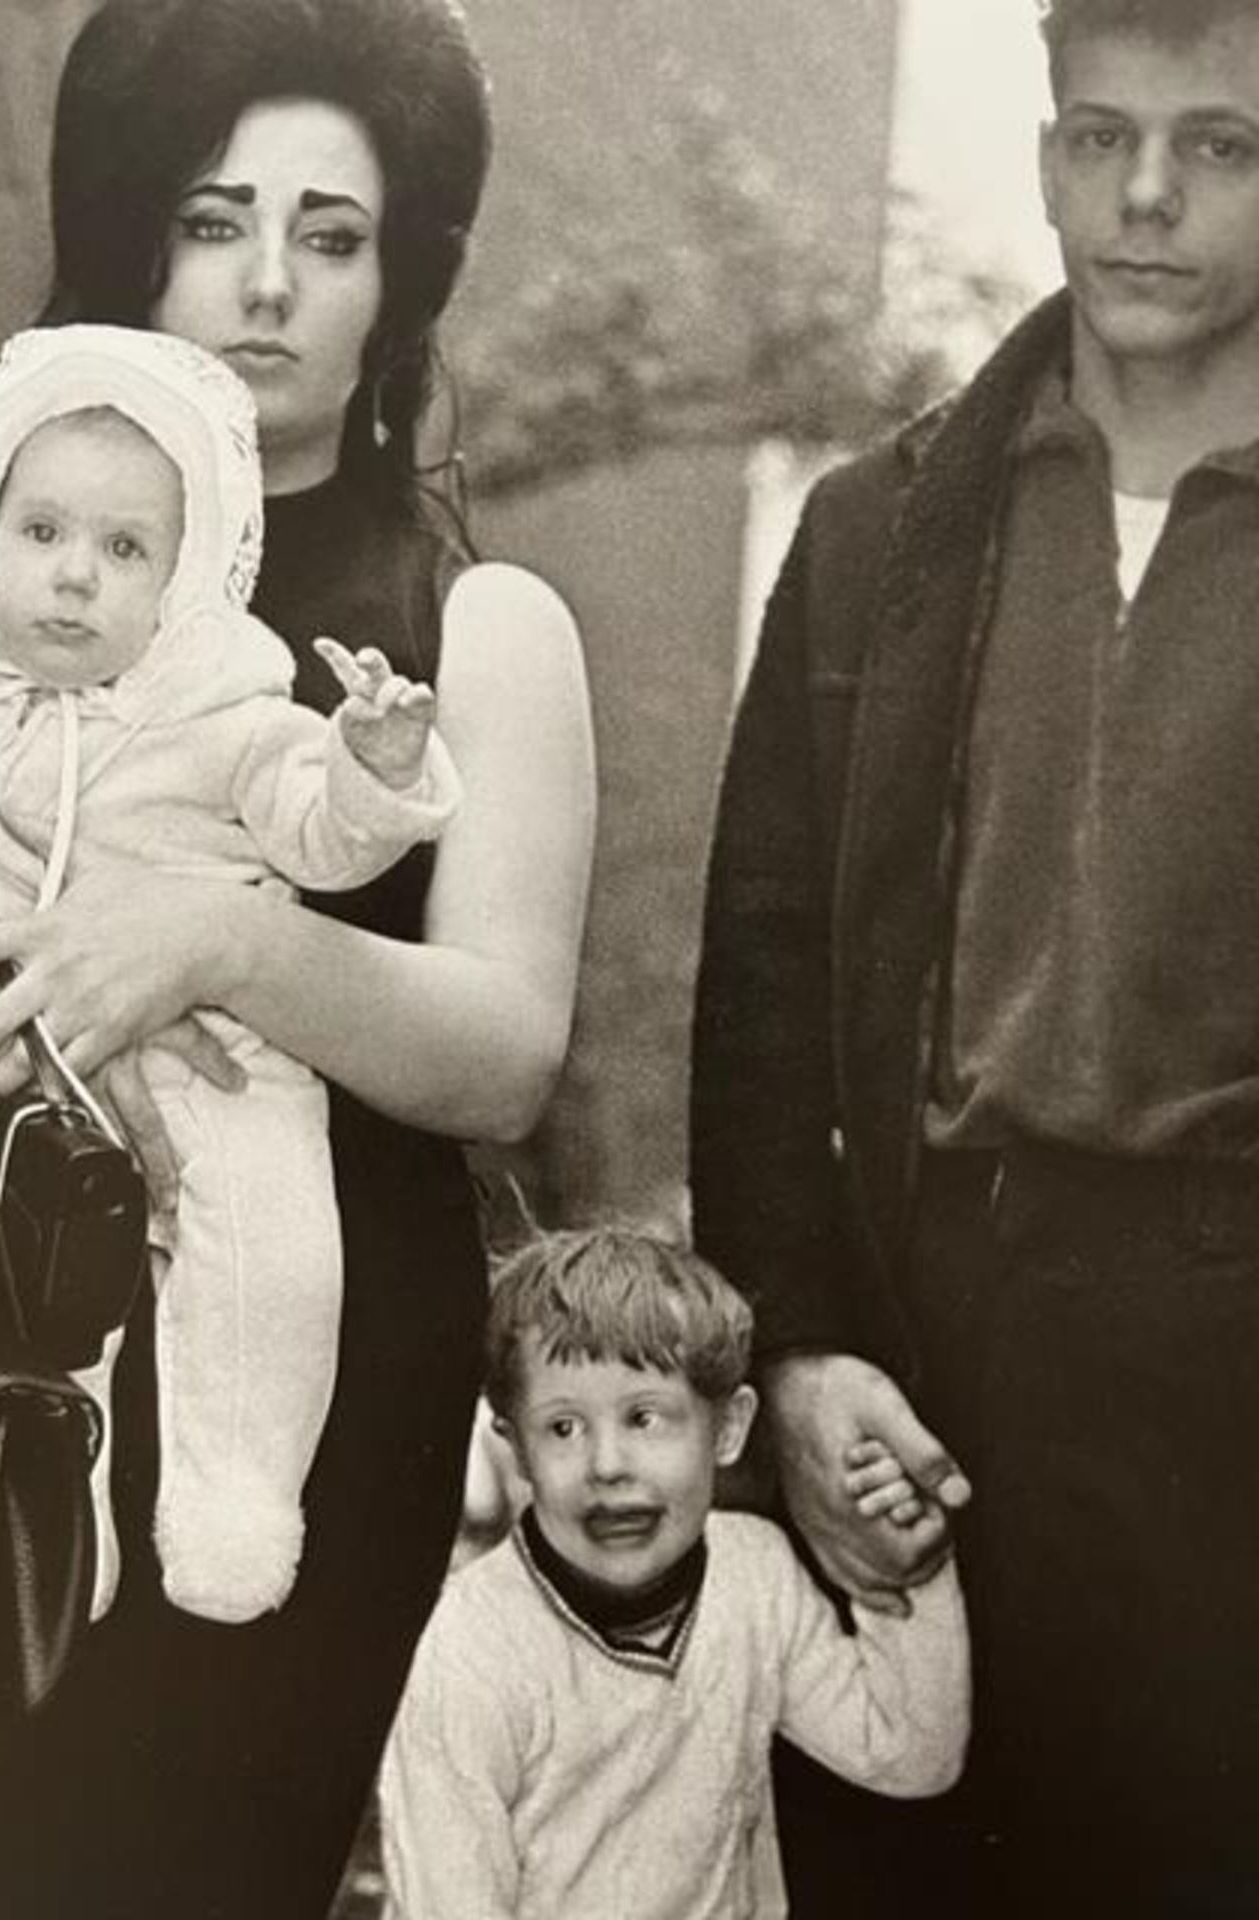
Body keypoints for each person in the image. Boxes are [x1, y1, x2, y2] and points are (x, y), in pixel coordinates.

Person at [0, 2, 595, 1915]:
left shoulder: (479, 625)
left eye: (330, 235)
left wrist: (220, 939)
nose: (266, 283)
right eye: (213, 217)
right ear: (127, 234)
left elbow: (504, 1053)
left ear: (397, 279)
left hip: (304, 1403)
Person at [691, 1, 1259, 1913]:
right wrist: (798, 1344)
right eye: (1101, 137)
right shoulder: (885, 530)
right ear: (1044, 159)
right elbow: (761, 975)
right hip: (936, 1339)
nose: (1150, 196)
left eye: (1222, 144)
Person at [0, 321, 462, 1630]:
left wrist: (374, 768)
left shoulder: (224, 716)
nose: (73, 579)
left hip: (206, 1044)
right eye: (42, 534)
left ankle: (238, 1492)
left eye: (124, 551)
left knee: (272, 1247)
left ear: (182, 583)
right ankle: (44, 1505)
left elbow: (319, 833)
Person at [378, 1226, 969, 1920]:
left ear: (728, 1429)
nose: (607, 1465)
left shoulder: (752, 1574)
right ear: (514, 1446)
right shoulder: (474, 1648)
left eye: (645, 1418)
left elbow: (908, 1756)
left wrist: (911, 1566)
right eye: (563, 1427)